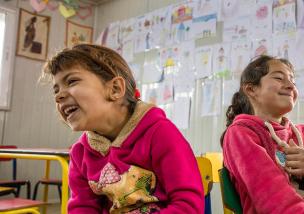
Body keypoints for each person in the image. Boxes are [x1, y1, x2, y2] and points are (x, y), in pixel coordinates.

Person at [41, 44, 204, 213]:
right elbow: (82, 209)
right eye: (56, 90)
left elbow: (188, 204)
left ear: (115, 89)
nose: (59, 96)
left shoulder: (160, 133)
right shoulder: (80, 154)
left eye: (71, 81)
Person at [221, 55, 304, 213]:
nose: (290, 85)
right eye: (279, 78)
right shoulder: (241, 133)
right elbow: (272, 196)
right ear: (251, 89)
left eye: (293, 81)